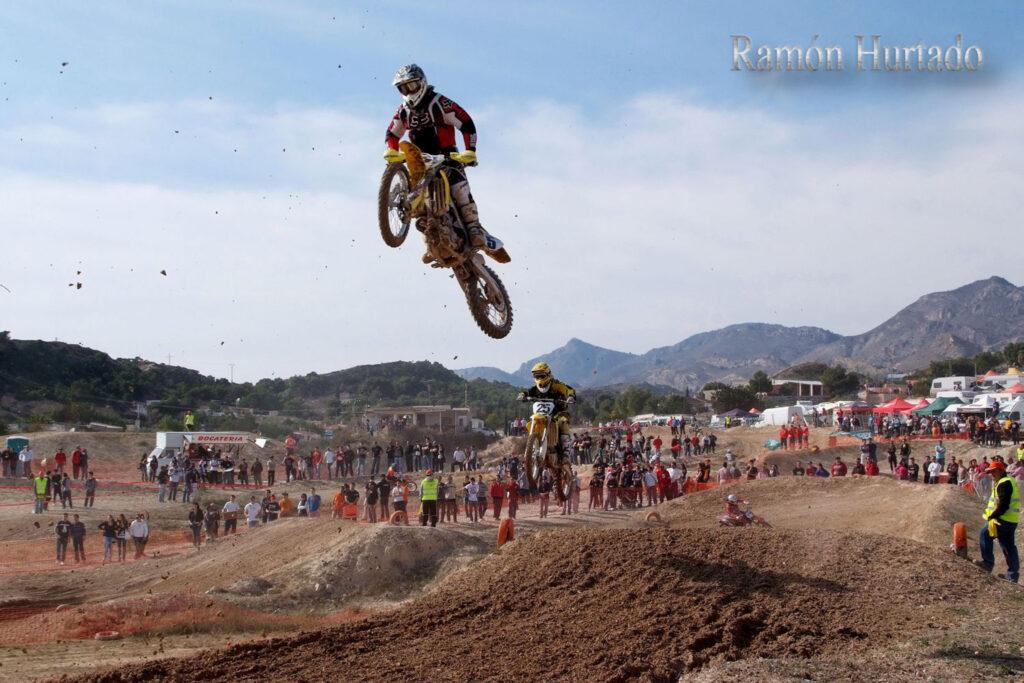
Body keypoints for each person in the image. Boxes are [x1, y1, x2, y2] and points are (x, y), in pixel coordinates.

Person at [384, 63, 508, 263]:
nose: (408, 92)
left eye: (412, 86)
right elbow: (392, 133)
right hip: (420, 159)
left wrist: (470, 150)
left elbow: (466, 123)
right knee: (419, 204)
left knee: (458, 185)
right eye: (403, 89)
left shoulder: (439, 103)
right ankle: (431, 244)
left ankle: (474, 228)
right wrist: (392, 150)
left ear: (422, 83)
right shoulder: (404, 111)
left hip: (446, 155)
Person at [517, 362, 577, 463]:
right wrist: (522, 395)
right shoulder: (536, 388)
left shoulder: (556, 385)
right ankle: (531, 449)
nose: (539, 378)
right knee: (531, 421)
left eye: (542, 376)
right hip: (541, 413)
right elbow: (527, 392)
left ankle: (566, 452)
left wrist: (571, 396)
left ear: (548, 375)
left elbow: (568, 390)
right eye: (537, 376)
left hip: (558, 412)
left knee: (562, 422)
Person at [974, 461, 1019, 583]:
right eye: (990, 472)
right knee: (1009, 546)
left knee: (984, 533)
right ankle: (1012, 576)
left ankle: (987, 564)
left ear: (1000, 470)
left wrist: (993, 516)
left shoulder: (1004, 483)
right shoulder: (1007, 481)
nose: (991, 474)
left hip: (1003, 519)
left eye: (993, 471)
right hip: (1011, 519)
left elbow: (1004, 504)